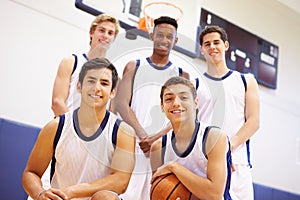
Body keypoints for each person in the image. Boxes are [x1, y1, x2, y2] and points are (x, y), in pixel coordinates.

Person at [22, 58, 136, 200]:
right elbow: (31, 172)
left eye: (104, 83)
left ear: (113, 92)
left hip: (75, 196)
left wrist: (71, 192)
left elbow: (120, 181)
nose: (96, 87)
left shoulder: (123, 132)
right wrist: (39, 194)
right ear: (79, 86)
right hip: (59, 197)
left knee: (106, 198)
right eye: (91, 81)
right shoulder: (56, 127)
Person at [111, 16, 190, 200]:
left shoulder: (181, 75)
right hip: (133, 144)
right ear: (151, 36)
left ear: (175, 41)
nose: (164, 40)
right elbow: (122, 104)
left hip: (163, 149)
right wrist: (143, 135)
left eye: (169, 37)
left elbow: (184, 115)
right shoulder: (134, 66)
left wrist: (155, 139)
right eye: (160, 35)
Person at [195, 25, 260, 200]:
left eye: (216, 42)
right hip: (203, 164)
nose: (212, 47)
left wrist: (225, 149)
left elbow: (253, 122)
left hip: (237, 164)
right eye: (207, 44)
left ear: (226, 45)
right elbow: (186, 126)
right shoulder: (195, 84)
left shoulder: (246, 80)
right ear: (201, 49)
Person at [150, 76, 232, 200]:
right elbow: (158, 192)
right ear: (162, 106)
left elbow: (214, 194)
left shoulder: (213, 138)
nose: (176, 103)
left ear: (195, 102)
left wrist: (174, 167)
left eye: (183, 97)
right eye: (169, 99)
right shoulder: (158, 147)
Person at [51, 13, 120, 117]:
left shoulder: (114, 76)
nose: (105, 36)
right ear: (91, 33)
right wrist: (74, 130)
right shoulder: (71, 62)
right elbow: (57, 102)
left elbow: (110, 113)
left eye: (110, 33)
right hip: (66, 128)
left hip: (95, 132)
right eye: (101, 30)